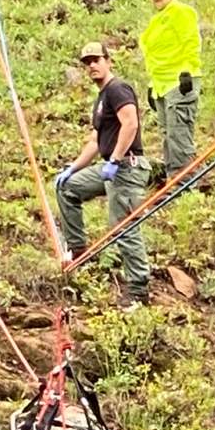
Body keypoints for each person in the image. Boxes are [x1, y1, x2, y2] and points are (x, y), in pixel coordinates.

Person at [54, 42, 151, 310]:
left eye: (96, 60)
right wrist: (73, 168)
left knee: (123, 226)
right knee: (68, 188)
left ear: (108, 61)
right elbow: (96, 141)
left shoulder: (117, 89)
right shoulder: (101, 98)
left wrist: (116, 159)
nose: (92, 66)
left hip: (127, 167)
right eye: (87, 62)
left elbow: (130, 123)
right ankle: (78, 251)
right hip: (111, 166)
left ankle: (138, 290)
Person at [138, 0, 202, 177]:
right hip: (162, 85)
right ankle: (173, 178)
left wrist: (188, 71)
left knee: (178, 133)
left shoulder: (180, 12)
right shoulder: (158, 20)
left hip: (179, 81)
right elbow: (155, 55)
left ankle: (183, 181)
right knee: (167, 134)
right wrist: (152, 86)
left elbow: (191, 41)